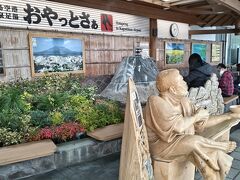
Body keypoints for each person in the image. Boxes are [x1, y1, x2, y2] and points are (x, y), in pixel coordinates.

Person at [144, 69, 240, 180]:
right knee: (194, 142)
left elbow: (202, 122)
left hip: (182, 141)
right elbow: (178, 127)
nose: (185, 82)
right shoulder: (155, 101)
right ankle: (219, 146)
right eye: (181, 81)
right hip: (162, 147)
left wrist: (228, 116)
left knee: (204, 157)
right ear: (173, 89)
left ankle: (211, 175)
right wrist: (196, 117)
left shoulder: (184, 101)